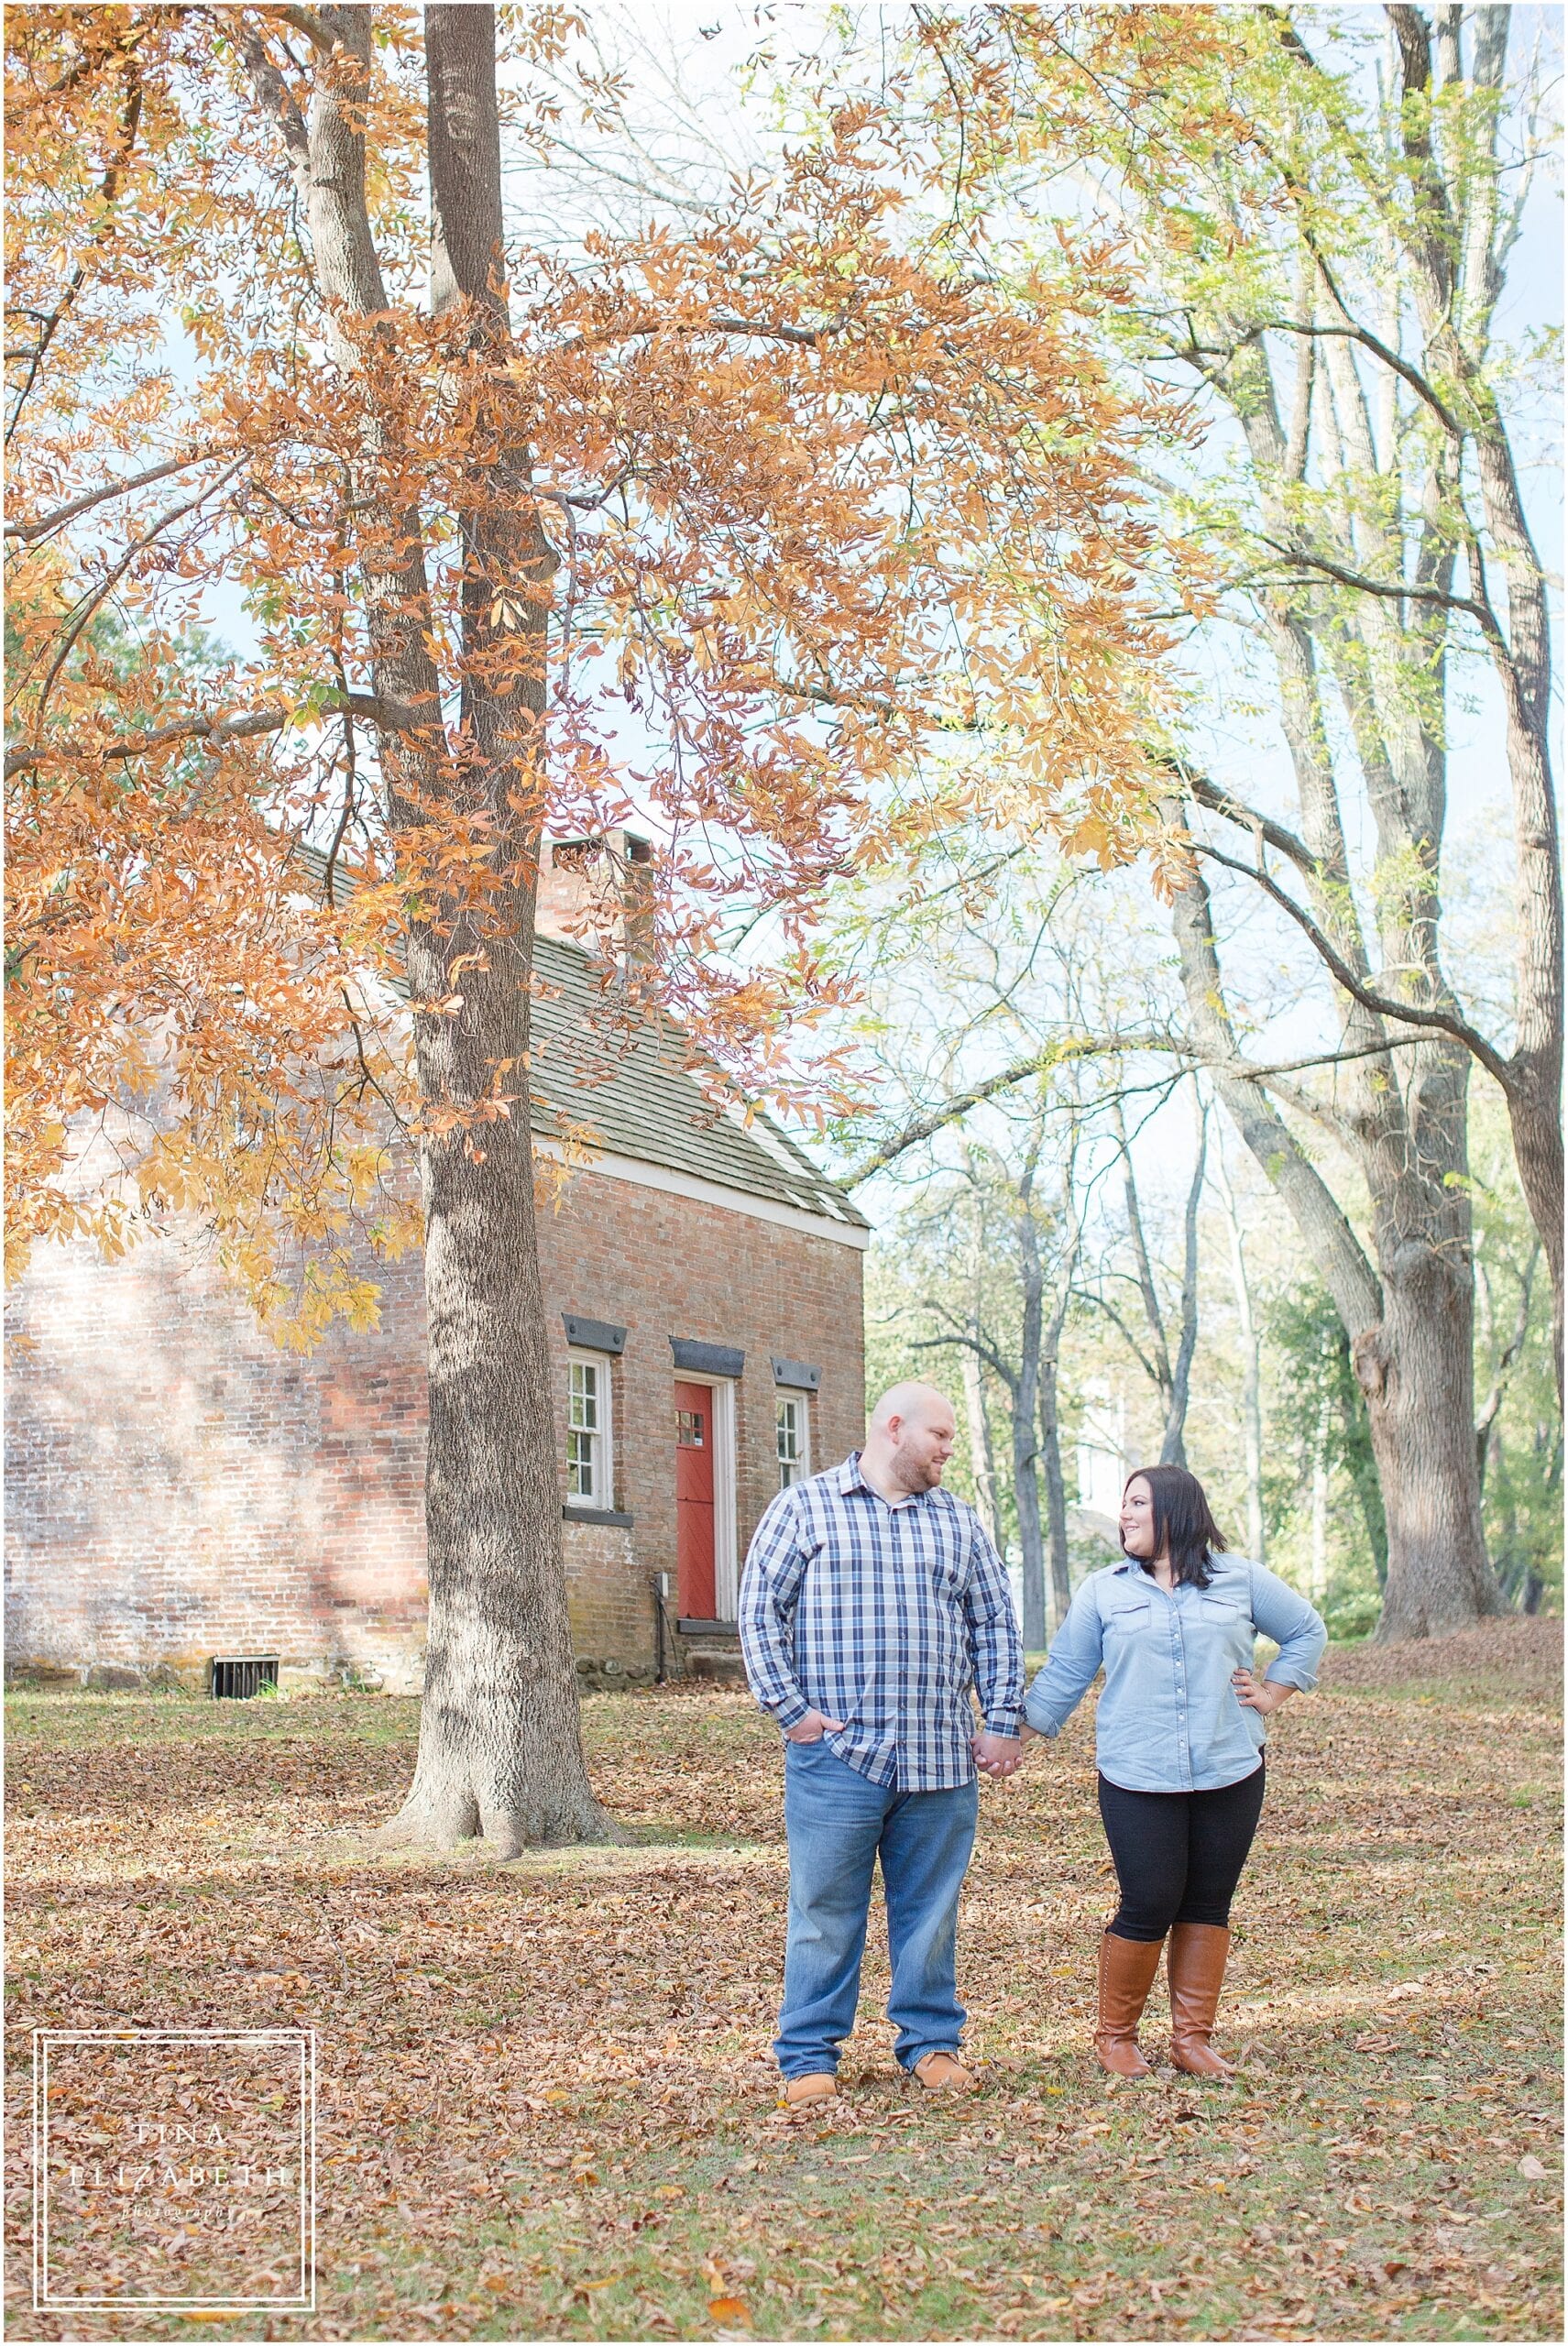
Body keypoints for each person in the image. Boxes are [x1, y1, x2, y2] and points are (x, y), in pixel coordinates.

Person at [739, 1381, 1025, 2106]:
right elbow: (757, 1611)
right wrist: (791, 1711)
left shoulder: (958, 1523)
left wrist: (999, 1719)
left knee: (929, 1914)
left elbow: (995, 1625)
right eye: (940, 1436)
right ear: (894, 1428)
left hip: (938, 1760)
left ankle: (929, 2045)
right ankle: (808, 2056)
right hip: (836, 1761)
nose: (948, 1450)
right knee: (823, 1913)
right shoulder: (803, 1509)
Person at [1003, 1464, 1326, 2080]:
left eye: (1136, 1503)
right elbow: (1065, 1674)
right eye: (1123, 1504)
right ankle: (1116, 2039)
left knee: (1207, 1903)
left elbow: (1305, 1630)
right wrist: (1007, 1738)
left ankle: (1191, 2041)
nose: (1123, 1515)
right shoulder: (1105, 1591)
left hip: (1228, 1764)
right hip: (1136, 1771)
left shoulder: (1240, 1579)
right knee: (1148, 1900)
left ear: (1175, 1511)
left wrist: (1273, 1692)